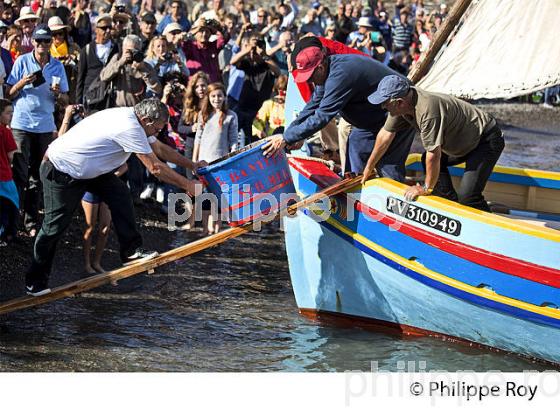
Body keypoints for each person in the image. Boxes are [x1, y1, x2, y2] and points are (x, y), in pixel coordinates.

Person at [25, 98, 205, 296]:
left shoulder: (136, 120)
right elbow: (155, 168)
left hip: (88, 170)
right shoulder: (129, 127)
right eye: (157, 129)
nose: (158, 133)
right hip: (60, 169)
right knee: (54, 226)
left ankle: (131, 252)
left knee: (120, 194)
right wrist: (187, 184)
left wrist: (192, 165)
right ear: (146, 120)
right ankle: (35, 281)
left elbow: (160, 149)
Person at [263, 41, 413, 179]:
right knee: (356, 144)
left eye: (309, 77)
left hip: (398, 111)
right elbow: (313, 106)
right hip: (373, 120)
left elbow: (323, 115)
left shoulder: (340, 74)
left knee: (387, 166)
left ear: (320, 67)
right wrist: (290, 134)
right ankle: (354, 192)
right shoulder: (325, 72)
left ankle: (387, 201)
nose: (309, 81)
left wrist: (286, 138)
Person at [362, 75, 505, 211]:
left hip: (485, 140)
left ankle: (491, 228)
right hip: (463, 142)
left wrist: (425, 188)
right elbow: (384, 136)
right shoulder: (402, 105)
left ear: (399, 102)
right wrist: (369, 167)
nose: (383, 108)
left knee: (468, 197)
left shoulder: (427, 111)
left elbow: (434, 155)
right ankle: (449, 203)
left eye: (385, 104)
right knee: (426, 160)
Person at [6, 24, 69, 237]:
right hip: (21, 124)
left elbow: (66, 100)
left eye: (46, 41)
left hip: (44, 126)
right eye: (39, 41)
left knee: (38, 177)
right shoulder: (22, 61)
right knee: (18, 175)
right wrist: (23, 82)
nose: (42, 45)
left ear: (52, 43)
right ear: (32, 41)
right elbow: (9, 93)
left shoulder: (57, 67)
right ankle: (11, 224)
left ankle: (30, 223)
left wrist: (58, 94)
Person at [57, 104, 127, 274]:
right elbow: (60, 140)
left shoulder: (110, 139)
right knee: (89, 226)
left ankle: (97, 262)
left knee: (105, 227)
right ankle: (87, 264)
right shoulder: (81, 136)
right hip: (89, 187)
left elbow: (124, 166)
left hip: (105, 187)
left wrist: (108, 178)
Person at [192, 82, 237, 235]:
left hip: (220, 163)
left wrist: (232, 158)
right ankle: (206, 229)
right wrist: (194, 161)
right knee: (205, 197)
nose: (216, 99)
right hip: (204, 163)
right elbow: (198, 138)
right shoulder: (203, 115)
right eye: (213, 96)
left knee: (218, 198)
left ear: (224, 97)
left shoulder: (231, 116)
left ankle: (216, 229)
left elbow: (233, 140)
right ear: (208, 97)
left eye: (219, 96)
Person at [76, 14, 119, 107]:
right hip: (90, 97)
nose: (107, 31)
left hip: (109, 97)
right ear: (96, 29)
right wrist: (78, 103)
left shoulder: (116, 48)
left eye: (109, 27)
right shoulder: (86, 50)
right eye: (104, 28)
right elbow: (80, 78)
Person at [0, 98, 17, 245]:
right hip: (4, 176)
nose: (11, 116)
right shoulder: (5, 132)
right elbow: (11, 155)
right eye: (8, 113)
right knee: (9, 205)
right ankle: (5, 236)